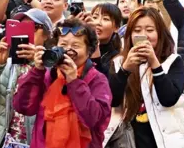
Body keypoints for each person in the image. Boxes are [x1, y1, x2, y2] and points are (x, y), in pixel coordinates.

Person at [13, 19, 112, 148]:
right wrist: (37, 72)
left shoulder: (97, 80)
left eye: (76, 46)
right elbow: (23, 107)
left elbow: (95, 120)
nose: (68, 51)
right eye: (63, 45)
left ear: (89, 51)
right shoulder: (49, 75)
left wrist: (74, 82)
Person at [105, 7, 184, 148]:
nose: (144, 35)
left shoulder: (173, 61)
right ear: (129, 35)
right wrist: (125, 69)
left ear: (160, 33)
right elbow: (112, 100)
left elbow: (168, 99)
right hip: (130, 141)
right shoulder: (119, 63)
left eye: (150, 30)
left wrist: (154, 63)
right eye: (137, 31)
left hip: (165, 142)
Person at [0, 8, 52, 148]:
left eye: (34, 27)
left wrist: (37, 62)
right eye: (21, 27)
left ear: (47, 34)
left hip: (36, 142)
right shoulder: (9, 64)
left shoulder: (52, 66)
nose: (27, 33)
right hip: (4, 141)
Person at [91, 3, 122, 75]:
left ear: (116, 28)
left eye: (105, 19)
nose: (97, 23)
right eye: (95, 17)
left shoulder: (117, 59)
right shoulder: (81, 49)